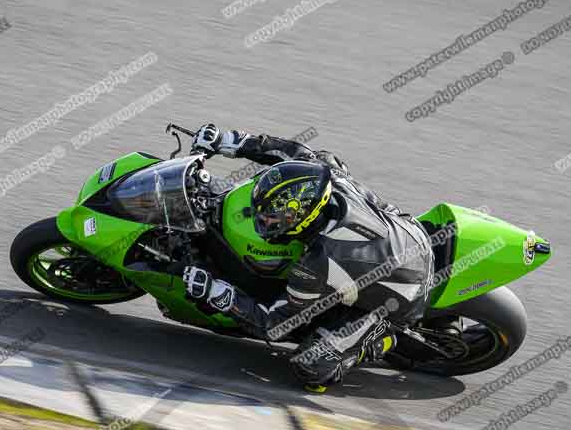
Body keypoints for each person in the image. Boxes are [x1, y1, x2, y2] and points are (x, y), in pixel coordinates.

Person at [182, 124, 434, 391]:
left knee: (310, 367)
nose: (261, 221)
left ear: (303, 219)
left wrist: (217, 293)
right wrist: (228, 140)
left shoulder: (317, 264)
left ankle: (383, 338)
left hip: (407, 293)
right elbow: (291, 152)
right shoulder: (323, 173)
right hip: (409, 232)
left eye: (270, 219)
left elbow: (274, 324)